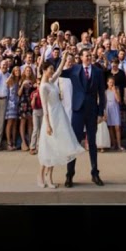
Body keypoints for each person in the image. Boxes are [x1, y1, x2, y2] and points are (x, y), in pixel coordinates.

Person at [60, 48, 107, 187]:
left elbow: (101, 93)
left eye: (90, 55)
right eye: (86, 55)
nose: (89, 57)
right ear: (80, 57)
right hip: (78, 110)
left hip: (92, 111)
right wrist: (64, 58)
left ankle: (95, 173)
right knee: (74, 142)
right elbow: (59, 73)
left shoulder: (98, 72)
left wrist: (100, 113)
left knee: (92, 143)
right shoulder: (74, 69)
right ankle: (69, 175)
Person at [37, 58, 85, 189]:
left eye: (52, 69)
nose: (52, 71)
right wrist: (47, 125)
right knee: (48, 147)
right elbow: (44, 108)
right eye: (50, 69)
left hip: (59, 114)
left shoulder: (52, 82)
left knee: (55, 147)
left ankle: (49, 177)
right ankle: (41, 176)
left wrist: (64, 57)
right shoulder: (43, 87)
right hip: (51, 117)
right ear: (44, 70)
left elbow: (59, 71)